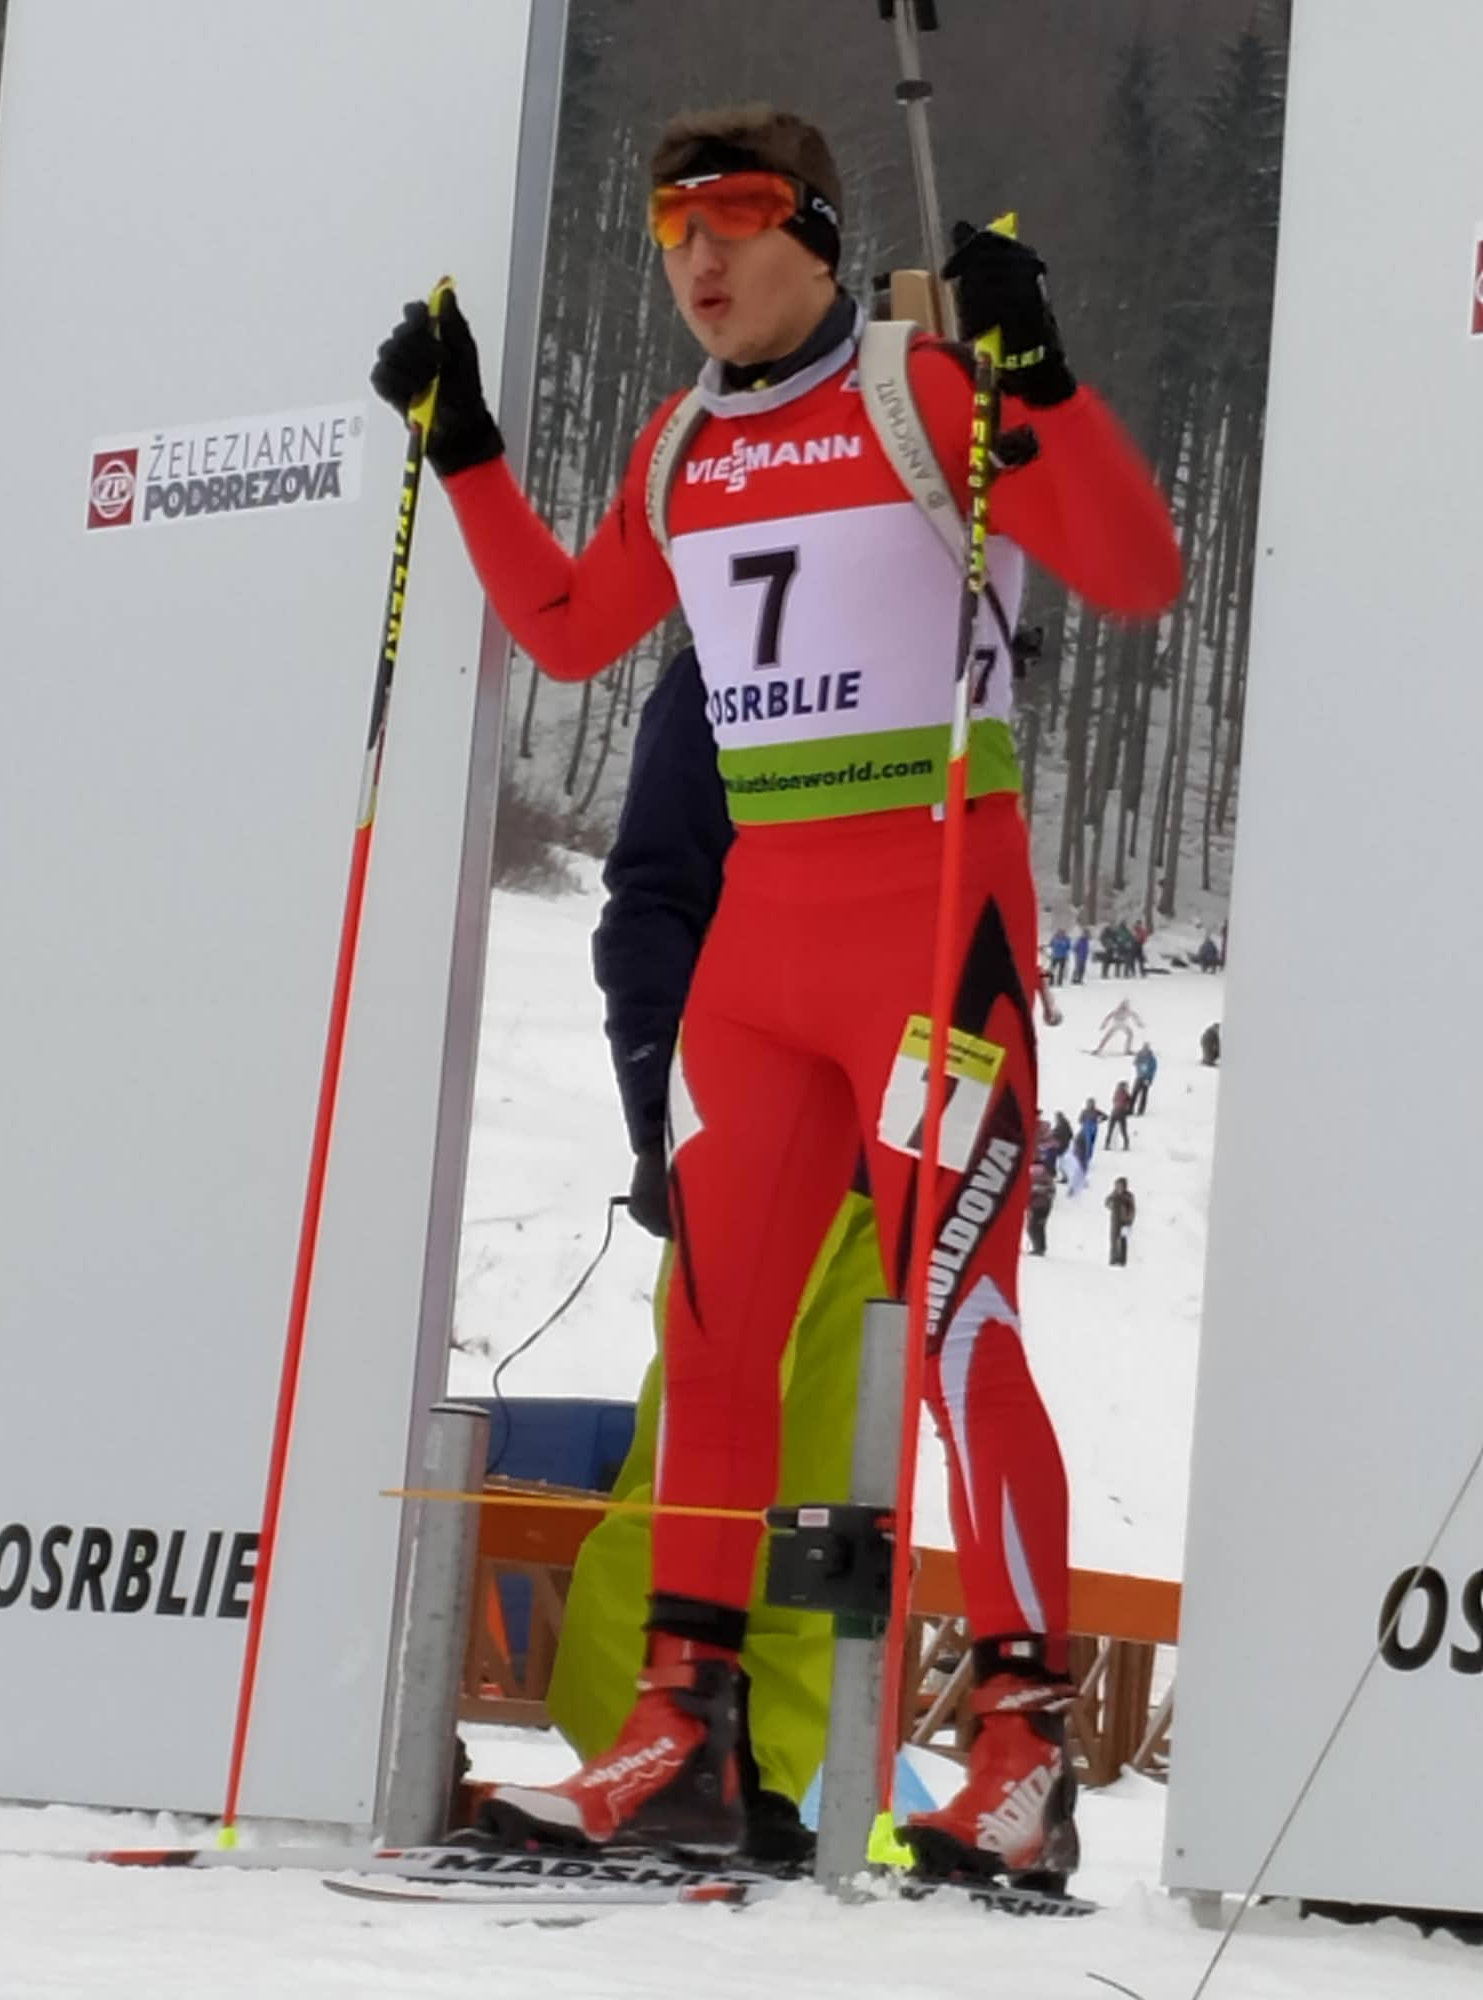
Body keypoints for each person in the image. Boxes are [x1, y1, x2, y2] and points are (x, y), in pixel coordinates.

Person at [373, 100, 1180, 1883]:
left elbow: (1137, 570)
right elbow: (570, 627)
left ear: (813, 228)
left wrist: (1041, 380)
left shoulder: (922, 390)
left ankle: (1024, 1754)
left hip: (931, 917)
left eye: (733, 215)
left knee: (956, 1322)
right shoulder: (679, 442)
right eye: (670, 228)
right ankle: (688, 1727)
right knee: (718, 1330)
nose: (698, 257)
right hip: (761, 948)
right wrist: (469, 449)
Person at [545, 645, 880, 1864]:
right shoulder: (733, 657)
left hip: (884, 1151)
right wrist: (664, 1116)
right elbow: (655, 893)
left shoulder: (933, 659)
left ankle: (755, 1775)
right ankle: (631, 1752)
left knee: (829, 1503)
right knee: (698, 1472)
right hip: (752, 1134)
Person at [1025, 1160, 1055, 1256]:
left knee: (1034, 1227)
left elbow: (1050, 1190)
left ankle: (1039, 1248)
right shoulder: (1041, 1176)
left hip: (1040, 1206)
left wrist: (1036, 1190)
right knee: (1035, 1227)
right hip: (1037, 1206)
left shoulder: (1043, 1177)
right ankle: (1039, 1247)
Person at [1105, 1178, 1136, 1266]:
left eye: (1121, 1185)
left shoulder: (1128, 1196)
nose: (1119, 1187)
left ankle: (1122, 1260)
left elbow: (1132, 1209)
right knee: (1113, 1240)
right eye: (1117, 1185)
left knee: (1122, 1240)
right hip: (1115, 1220)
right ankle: (1113, 1259)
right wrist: (1111, 1202)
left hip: (1124, 1221)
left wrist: (1129, 1220)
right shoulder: (1114, 1195)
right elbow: (1107, 1203)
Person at [1129, 1042, 1157, 1117]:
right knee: (1134, 1093)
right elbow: (1134, 1063)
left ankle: (1140, 1111)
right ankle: (1130, 1109)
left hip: (1146, 1078)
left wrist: (1150, 1079)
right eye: (1144, 1048)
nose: (1145, 1050)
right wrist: (1137, 1061)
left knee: (1143, 1095)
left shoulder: (1151, 1058)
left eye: (1146, 1048)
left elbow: (1153, 1069)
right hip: (1139, 1077)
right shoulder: (1140, 1055)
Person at [1105, 1080, 1132, 1151]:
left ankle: (1107, 1144)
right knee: (1123, 1130)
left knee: (1110, 1130)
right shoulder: (1126, 1094)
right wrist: (1127, 1111)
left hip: (1115, 1112)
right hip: (1120, 1113)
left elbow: (1114, 1101)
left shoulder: (1116, 1093)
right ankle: (1126, 1145)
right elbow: (1129, 1103)